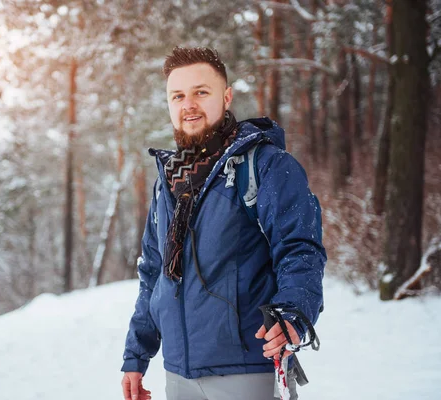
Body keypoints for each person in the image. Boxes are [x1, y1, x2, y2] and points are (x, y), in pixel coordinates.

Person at [120, 46, 326, 400]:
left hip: (246, 371)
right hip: (179, 373)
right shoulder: (167, 183)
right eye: (178, 95)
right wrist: (136, 354)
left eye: (201, 92)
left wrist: (293, 311)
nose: (189, 105)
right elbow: (153, 273)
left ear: (226, 96)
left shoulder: (267, 166)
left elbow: (300, 248)